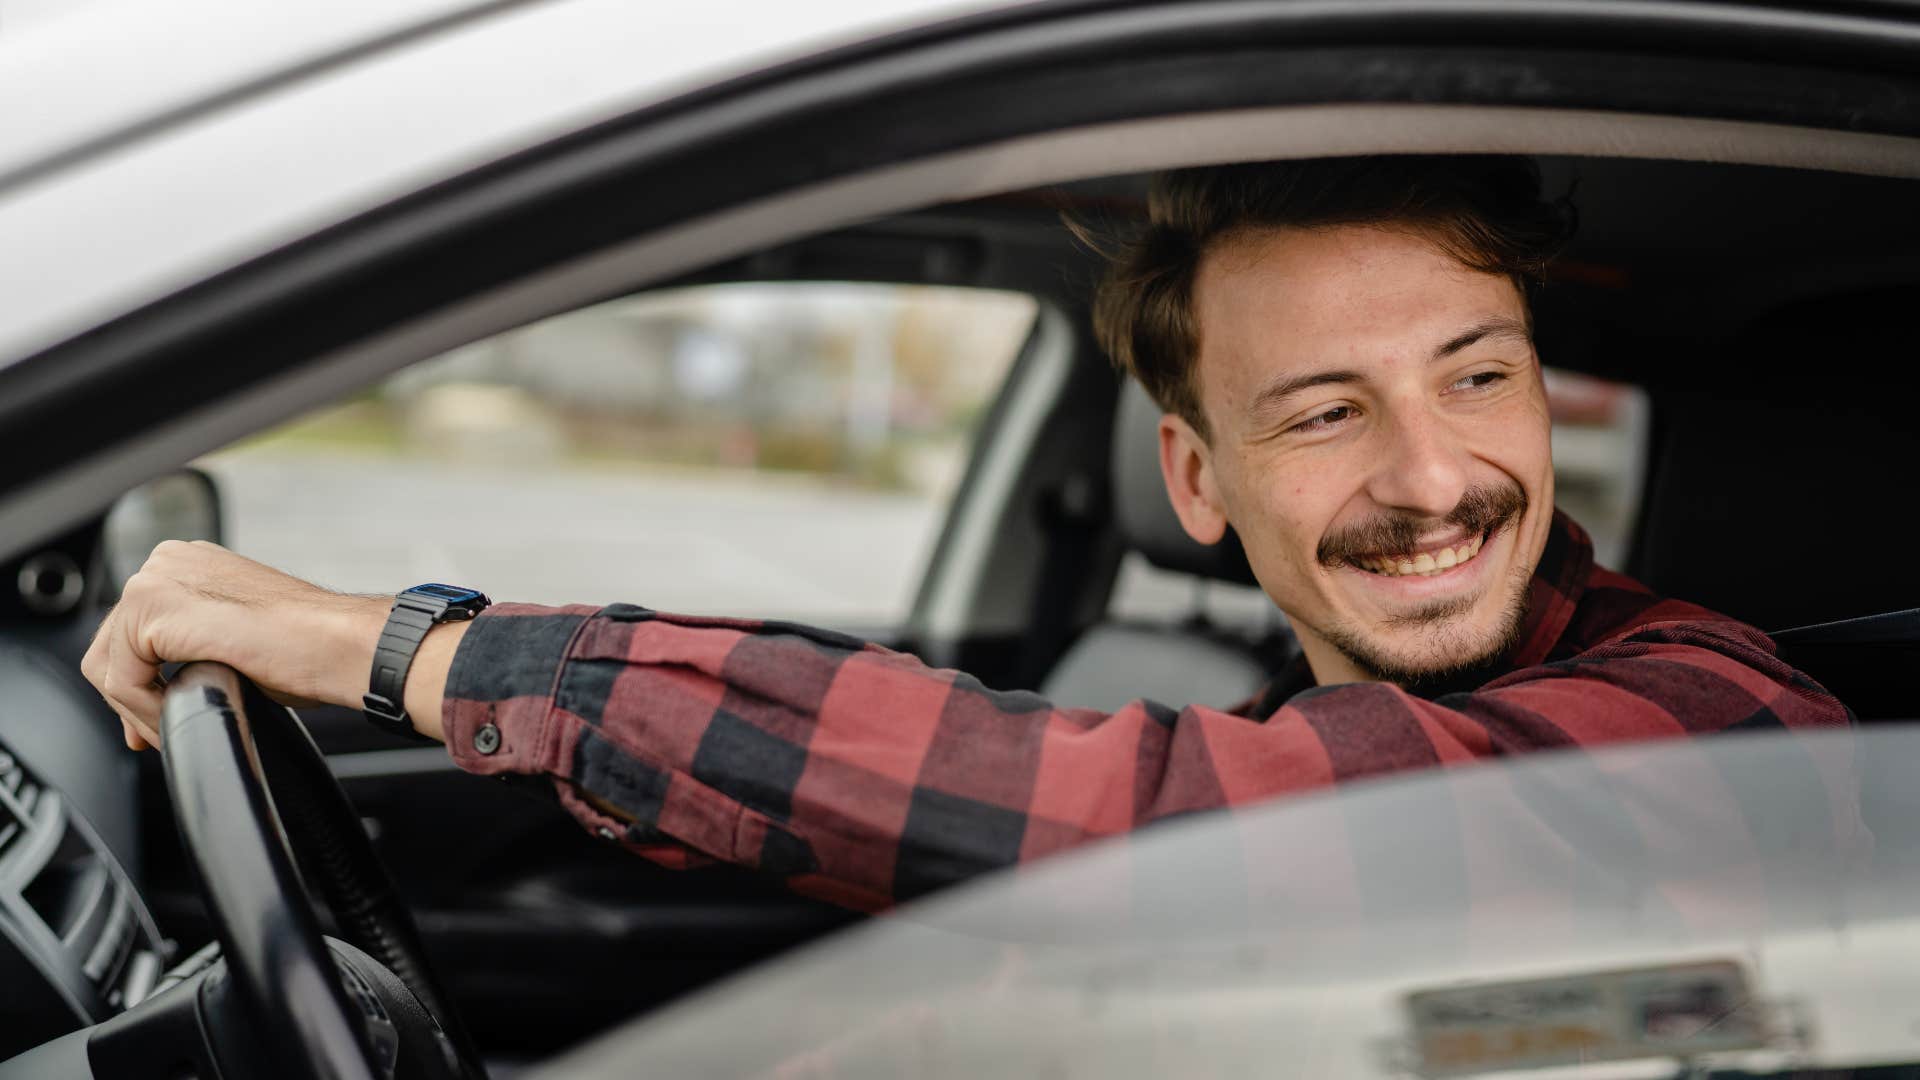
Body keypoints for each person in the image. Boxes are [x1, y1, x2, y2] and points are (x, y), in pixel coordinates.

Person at [81, 156, 1850, 912]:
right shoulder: (1296, 731)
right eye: (1323, 411)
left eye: (1478, 377)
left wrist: (415, 651)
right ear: (1195, 480)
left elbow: (1114, 821)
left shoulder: (1717, 717)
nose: (1434, 473)